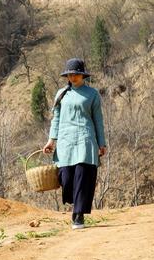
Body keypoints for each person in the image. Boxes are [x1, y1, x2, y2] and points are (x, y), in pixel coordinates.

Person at [42, 58, 107, 230]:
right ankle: (74, 203)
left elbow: (98, 121)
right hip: (65, 141)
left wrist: (102, 143)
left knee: (82, 176)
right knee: (67, 177)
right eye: (70, 74)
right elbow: (55, 119)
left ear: (82, 75)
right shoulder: (61, 94)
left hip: (85, 139)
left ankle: (78, 215)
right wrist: (51, 140)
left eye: (75, 74)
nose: (72, 77)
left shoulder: (92, 94)